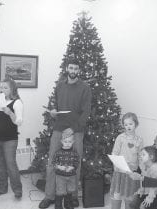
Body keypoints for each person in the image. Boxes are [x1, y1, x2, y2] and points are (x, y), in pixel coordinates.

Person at [39, 59, 92, 209]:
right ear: (67, 68)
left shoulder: (85, 88)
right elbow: (56, 105)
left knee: (76, 163)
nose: (73, 71)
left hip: (76, 131)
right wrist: (54, 112)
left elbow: (86, 111)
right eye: (71, 68)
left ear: (79, 70)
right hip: (59, 128)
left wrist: (73, 128)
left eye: (76, 68)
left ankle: (73, 196)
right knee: (51, 163)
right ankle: (49, 196)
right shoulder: (60, 85)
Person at [0, 78, 23, 199]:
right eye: (1, 87)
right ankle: (2, 187)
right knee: (0, 164)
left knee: (10, 164)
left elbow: (19, 122)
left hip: (10, 139)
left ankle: (17, 190)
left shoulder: (17, 102)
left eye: (5, 87)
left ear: (12, 89)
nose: (2, 90)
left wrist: (10, 113)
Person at [110, 112, 143, 209]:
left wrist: (142, 171)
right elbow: (114, 152)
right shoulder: (120, 138)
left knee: (130, 197)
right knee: (117, 195)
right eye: (126, 124)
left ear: (135, 124)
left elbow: (141, 156)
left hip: (132, 173)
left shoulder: (139, 140)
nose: (128, 126)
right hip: (119, 172)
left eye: (130, 124)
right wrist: (116, 164)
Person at [52, 129, 79, 209]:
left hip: (71, 176)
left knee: (70, 190)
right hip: (60, 176)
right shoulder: (58, 152)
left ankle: (68, 204)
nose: (67, 144)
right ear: (61, 141)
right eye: (65, 141)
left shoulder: (74, 152)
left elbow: (77, 161)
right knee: (60, 191)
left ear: (73, 142)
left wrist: (73, 167)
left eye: (69, 142)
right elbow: (53, 162)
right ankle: (58, 205)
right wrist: (59, 167)